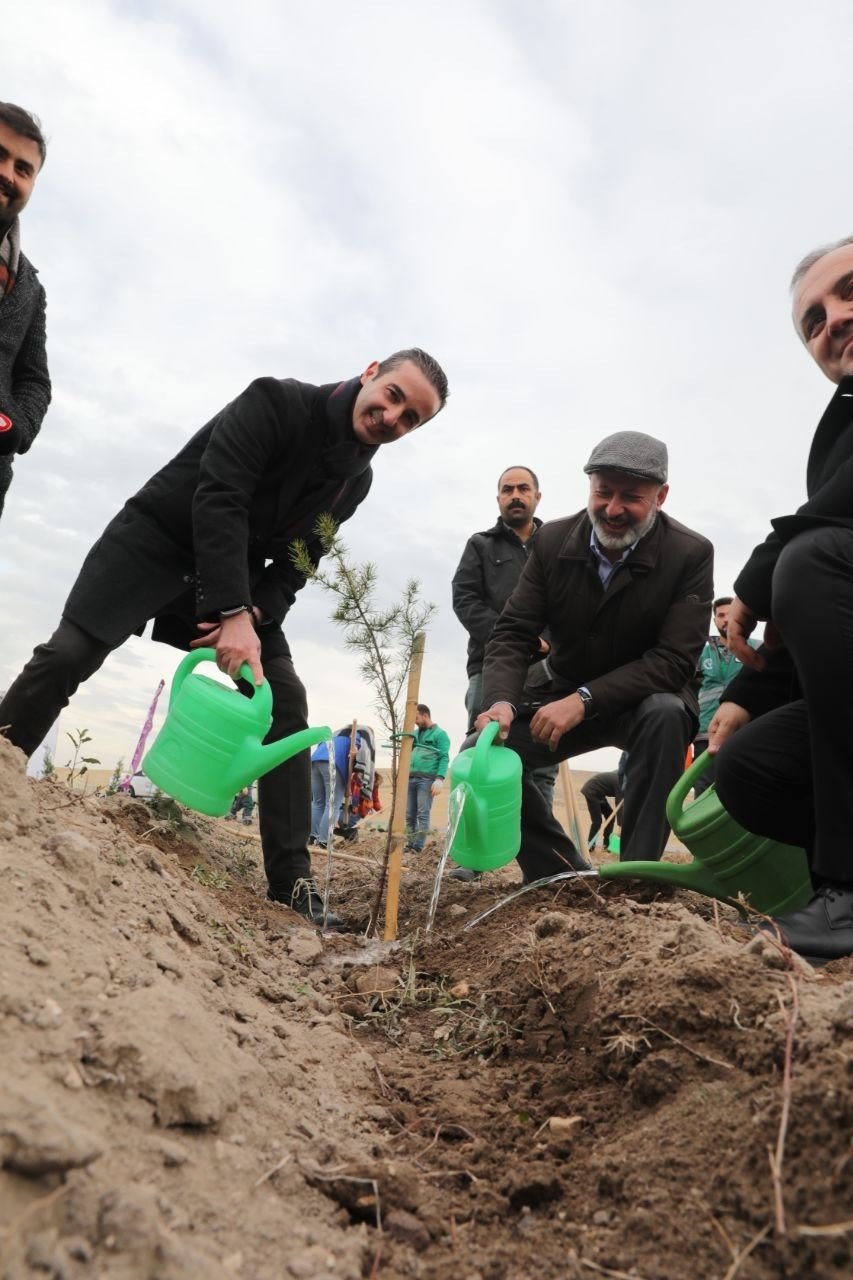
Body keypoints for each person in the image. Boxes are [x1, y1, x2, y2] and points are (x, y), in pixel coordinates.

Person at [0, 349, 448, 926]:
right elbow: (220, 494)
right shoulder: (276, 401)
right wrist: (232, 608)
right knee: (71, 652)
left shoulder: (354, 481)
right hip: (156, 541)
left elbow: (299, 560)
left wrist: (255, 612)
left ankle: (291, 884)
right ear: (370, 374)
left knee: (284, 701)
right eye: (393, 397)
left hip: (236, 582)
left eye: (411, 418)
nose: (393, 417)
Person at [473, 430, 713, 882]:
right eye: (603, 492)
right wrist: (501, 701)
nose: (614, 509)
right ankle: (560, 871)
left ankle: (635, 878)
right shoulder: (553, 541)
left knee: (665, 714)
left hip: (644, 700)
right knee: (484, 751)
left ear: (661, 496)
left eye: (632, 497)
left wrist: (584, 700)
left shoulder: (690, 553)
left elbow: (673, 661)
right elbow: (511, 631)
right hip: (559, 689)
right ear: (590, 487)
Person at [712, 235, 853, 962]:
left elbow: (826, 550)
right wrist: (749, 691)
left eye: (848, 291)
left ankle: (846, 888)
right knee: (750, 766)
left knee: (810, 559)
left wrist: (757, 576)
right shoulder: (837, 432)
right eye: (811, 320)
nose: (831, 319)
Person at [452, 465, 558, 809]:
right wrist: (516, 641)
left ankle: (543, 858)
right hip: (489, 666)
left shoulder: (558, 546)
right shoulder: (480, 545)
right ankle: (472, 855)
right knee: (481, 753)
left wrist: (547, 643)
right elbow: (465, 599)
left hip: (549, 670)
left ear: (537, 497)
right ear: (498, 498)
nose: (515, 495)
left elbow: (571, 603)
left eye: (523, 488)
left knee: (543, 761)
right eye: (507, 489)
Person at [0, 103, 51, 519]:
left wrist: (16, 427)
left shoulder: (29, 286)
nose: (8, 174)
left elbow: (35, 380)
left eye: (23, 168)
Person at [691, 596, 757, 797]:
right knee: (703, 792)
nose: (726, 619)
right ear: (714, 620)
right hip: (705, 734)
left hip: (745, 733)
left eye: (730, 614)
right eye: (720, 615)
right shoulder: (699, 653)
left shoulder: (757, 649)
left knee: (739, 791)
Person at [405, 704, 450, 853]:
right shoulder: (415, 734)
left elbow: (444, 757)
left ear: (425, 715)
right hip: (411, 778)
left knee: (422, 814)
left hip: (426, 780)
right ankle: (410, 844)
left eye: (416, 718)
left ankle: (417, 847)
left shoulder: (440, 734)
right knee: (409, 815)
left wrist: (440, 779)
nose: (415, 721)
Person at [310, 729, 360, 847]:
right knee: (332, 805)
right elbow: (355, 736)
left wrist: (347, 786)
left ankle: (313, 837)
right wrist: (356, 746)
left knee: (317, 803)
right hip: (332, 763)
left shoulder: (332, 737)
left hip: (314, 761)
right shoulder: (355, 734)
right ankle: (324, 841)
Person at [580, 769, 621, 851]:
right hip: (591, 791)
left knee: (610, 816)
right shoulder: (619, 780)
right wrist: (621, 823)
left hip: (599, 793)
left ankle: (606, 844)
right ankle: (590, 846)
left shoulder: (621, 775)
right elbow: (619, 803)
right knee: (597, 821)